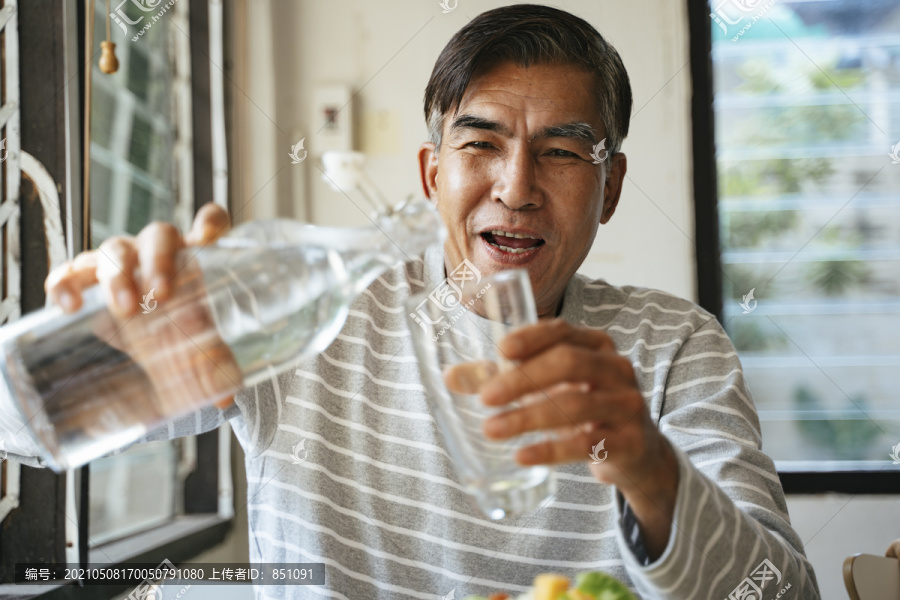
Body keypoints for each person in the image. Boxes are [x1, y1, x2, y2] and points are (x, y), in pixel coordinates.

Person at [3, 5, 820, 599]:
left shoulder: (674, 345)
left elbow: (775, 595)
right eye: (480, 144)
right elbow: (14, 427)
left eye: (564, 151)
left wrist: (644, 462)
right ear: (432, 177)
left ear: (610, 189)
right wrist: (96, 354)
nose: (517, 187)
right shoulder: (309, 317)